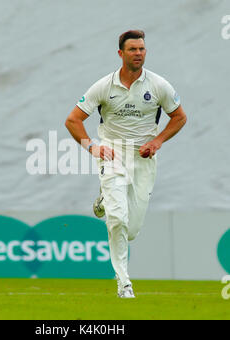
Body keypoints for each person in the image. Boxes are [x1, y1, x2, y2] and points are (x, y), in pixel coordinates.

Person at [65, 30, 187, 298]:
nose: (139, 53)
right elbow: (73, 120)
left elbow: (179, 116)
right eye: (133, 49)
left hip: (144, 157)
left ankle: (104, 201)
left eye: (142, 49)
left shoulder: (158, 85)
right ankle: (124, 283)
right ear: (121, 54)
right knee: (118, 219)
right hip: (113, 154)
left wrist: (158, 142)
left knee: (131, 230)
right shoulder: (103, 86)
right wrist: (93, 147)